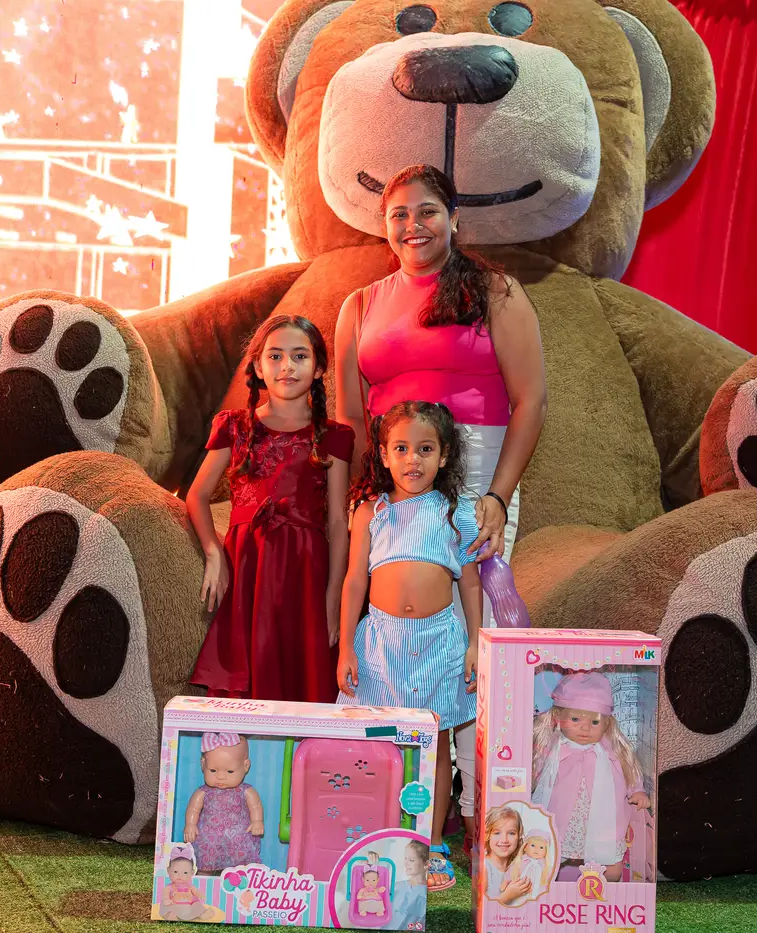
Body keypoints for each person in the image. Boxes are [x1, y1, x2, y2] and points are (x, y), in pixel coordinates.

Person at [335, 164, 547, 849]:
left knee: (472, 651)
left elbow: (531, 400)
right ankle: (405, 816)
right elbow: (350, 422)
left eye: (427, 211)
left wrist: (497, 496)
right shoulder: (359, 305)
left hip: (477, 473)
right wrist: (362, 496)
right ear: (383, 226)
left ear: (455, 218)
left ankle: (488, 821)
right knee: (398, 640)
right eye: (398, 214)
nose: (413, 225)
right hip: (392, 479)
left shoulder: (495, 291)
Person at [336, 401, 482, 891]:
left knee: (436, 746)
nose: (412, 459)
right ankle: (378, 837)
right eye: (400, 448)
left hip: (439, 643)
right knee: (381, 745)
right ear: (383, 455)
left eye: (425, 449)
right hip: (381, 644)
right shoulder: (369, 511)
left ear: (444, 456)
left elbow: (470, 583)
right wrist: (346, 648)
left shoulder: (454, 512)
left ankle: (432, 843)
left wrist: (475, 645)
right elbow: (355, 581)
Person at [188, 315, 353, 702]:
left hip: (307, 575)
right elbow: (196, 496)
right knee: (248, 680)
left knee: (305, 680)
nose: (287, 366)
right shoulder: (234, 427)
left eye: (300, 356)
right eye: (275, 356)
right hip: (248, 569)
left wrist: (334, 597)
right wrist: (213, 553)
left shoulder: (333, 436)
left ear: (319, 368)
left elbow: (337, 522)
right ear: (259, 368)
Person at [531, 672, 651, 882]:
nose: (585, 728)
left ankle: (601, 883)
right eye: (575, 719)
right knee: (553, 853)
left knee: (609, 864)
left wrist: (637, 790)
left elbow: (629, 768)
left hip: (602, 816)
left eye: (595, 722)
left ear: (607, 724)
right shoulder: (554, 747)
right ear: (558, 717)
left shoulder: (610, 748)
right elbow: (535, 771)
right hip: (562, 815)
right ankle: (562, 879)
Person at [182, 732, 265, 874]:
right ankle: (203, 876)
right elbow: (193, 809)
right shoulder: (203, 792)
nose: (220, 776)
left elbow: (255, 806)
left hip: (238, 834)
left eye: (230, 771)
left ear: (246, 766)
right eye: (213, 770)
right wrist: (190, 824)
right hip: (209, 835)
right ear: (203, 764)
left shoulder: (246, 791)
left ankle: (241, 876)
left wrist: (257, 821)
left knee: (241, 854)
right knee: (204, 851)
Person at [481, 806, 531, 906]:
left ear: (519, 836)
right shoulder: (484, 868)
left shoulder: (518, 865)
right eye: (497, 833)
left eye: (511, 833)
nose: (504, 840)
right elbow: (482, 906)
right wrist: (507, 896)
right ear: (488, 835)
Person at [386, 842, 430, 931]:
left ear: (426, 864)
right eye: (405, 858)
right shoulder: (396, 886)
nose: (406, 863)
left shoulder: (427, 892)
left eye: (411, 860)